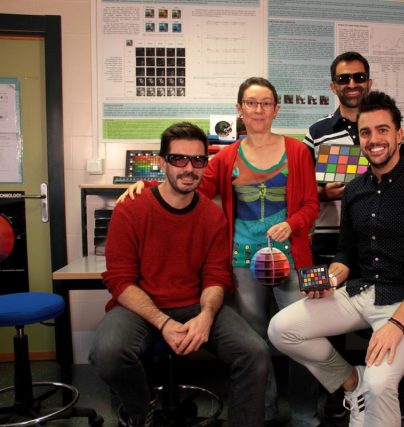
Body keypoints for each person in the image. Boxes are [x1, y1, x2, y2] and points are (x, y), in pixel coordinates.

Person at [118, 77, 321, 427]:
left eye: (266, 102)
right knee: (255, 341)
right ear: (238, 109)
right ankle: (266, 410)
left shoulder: (298, 151)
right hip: (242, 261)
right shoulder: (226, 157)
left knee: (302, 334)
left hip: (290, 258)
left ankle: (304, 412)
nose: (259, 110)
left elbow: (311, 204)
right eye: (251, 103)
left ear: (277, 109)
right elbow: (191, 184)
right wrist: (147, 184)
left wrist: (294, 223)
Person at [268, 91, 404, 427]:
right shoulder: (355, 190)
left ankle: (370, 386)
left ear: (398, 135)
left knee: (381, 385)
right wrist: (329, 280)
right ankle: (353, 382)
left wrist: (397, 325)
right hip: (360, 291)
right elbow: (346, 255)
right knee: (282, 329)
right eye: (366, 132)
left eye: (383, 130)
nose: (374, 139)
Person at [90, 122, 269, 427]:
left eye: (198, 160)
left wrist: (206, 316)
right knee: (107, 352)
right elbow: (120, 281)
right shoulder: (131, 210)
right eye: (179, 159)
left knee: (255, 352)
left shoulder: (212, 215)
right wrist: (163, 321)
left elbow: (216, 277)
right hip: (142, 308)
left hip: (195, 305)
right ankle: (140, 408)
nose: (189, 168)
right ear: (162, 163)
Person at [303, 51, 372, 419]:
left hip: (372, 241)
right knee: (320, 314)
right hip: (324, 240)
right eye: (343, 79)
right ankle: (337, 387)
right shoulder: (315, 133)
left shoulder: (383, 128)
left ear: (369, 82)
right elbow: (300, 190)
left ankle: (373, 388)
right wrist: (322, 192)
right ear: (333, 86)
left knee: (372, 311)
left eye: (358, 77)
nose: (351, 84)